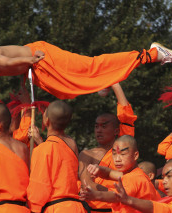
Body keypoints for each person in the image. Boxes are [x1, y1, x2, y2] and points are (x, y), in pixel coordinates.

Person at [0, 37, 172, 99]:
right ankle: (105, 82)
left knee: (91, 65)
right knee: (67, 92)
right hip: (38, 70)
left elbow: (3, 62)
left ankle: (152, 54)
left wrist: (29, 60)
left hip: (43, 58)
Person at [78, 83, 137, 212]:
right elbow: (88, 186)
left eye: (104, 126)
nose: (99, 130)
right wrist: (116, 194)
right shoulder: (87, 154)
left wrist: (115, 84)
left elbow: (126, 116)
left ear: (117, 130)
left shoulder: (123, 150)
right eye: (96, 126)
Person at [27, 100, 87, 213]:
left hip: (57, 208)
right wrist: (40, 141)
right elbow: (59, 160)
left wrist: (33, 208)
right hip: (76, 207)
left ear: (46, 120)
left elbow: (39, 186)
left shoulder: (42, 150)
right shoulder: (72, 143)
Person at [80, 135, 161, 212]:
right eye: (114, 154)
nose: (117, 159)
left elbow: (118, 196)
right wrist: (99, 169)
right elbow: (109, 173)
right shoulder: (133, 174)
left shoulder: (134, 177)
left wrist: (97, 195)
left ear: (135, 155)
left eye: (123, 154)